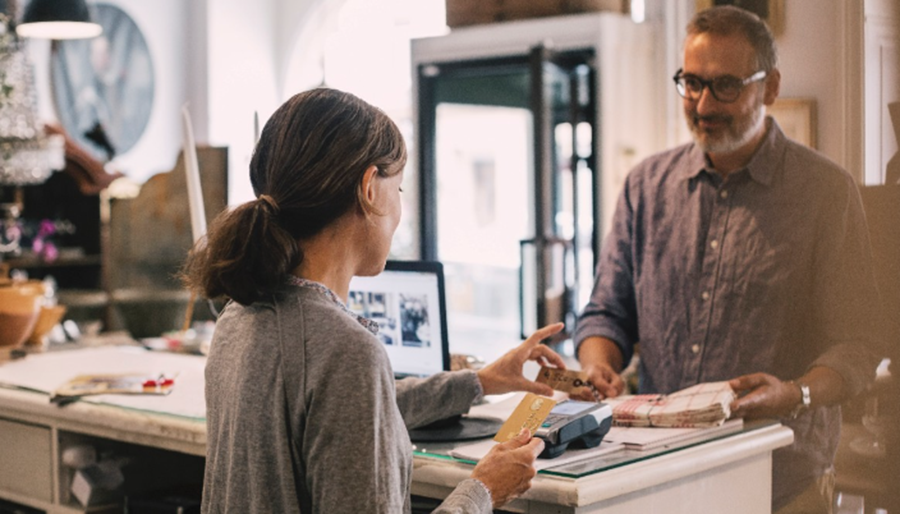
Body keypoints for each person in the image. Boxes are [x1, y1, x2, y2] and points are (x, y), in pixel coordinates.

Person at [183, 88, 570, 513]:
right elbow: (349, 394)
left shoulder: (238, 317)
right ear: (369, 187)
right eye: (399, 189)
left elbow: (350, 413)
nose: (399, 208)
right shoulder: (345, 349)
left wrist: (479, 382)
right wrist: (483, 490)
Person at [572, 6, 884, 513]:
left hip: (782, 483)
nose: (702, 103)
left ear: (771, 86)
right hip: (658, 476)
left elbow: (860, 343)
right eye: (691, 83)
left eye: (726, 86)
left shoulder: (826, 192)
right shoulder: (645, 188)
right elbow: (607, 312)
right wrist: (597, 365)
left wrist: (795, 393)